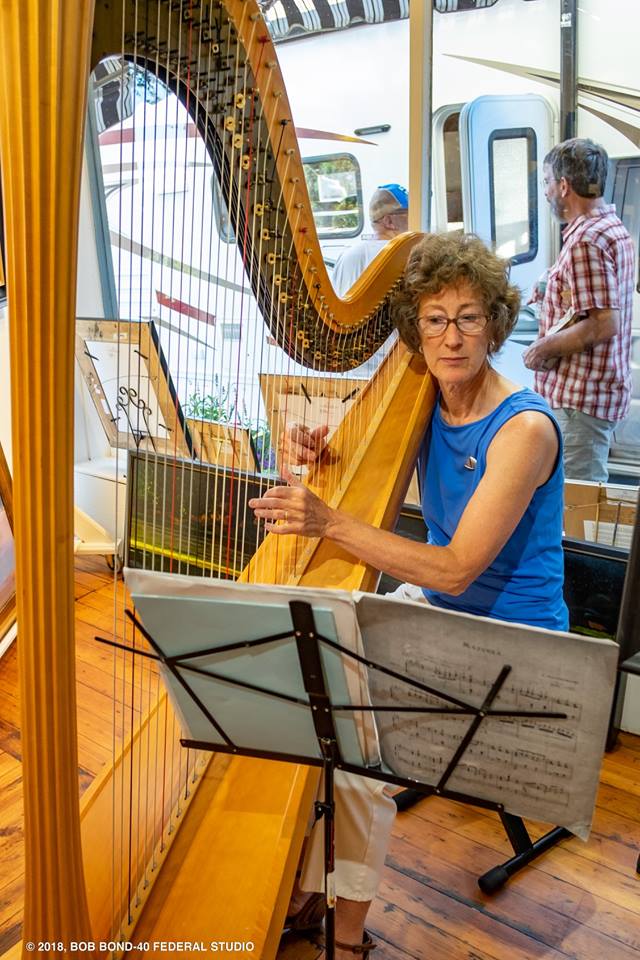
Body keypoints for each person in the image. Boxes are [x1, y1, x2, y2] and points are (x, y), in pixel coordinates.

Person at [249, 232, 568, 958]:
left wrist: (332, 520)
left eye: (467, 317)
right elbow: (340, 455)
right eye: (433, 320)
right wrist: (315, 449)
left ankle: (348, 930)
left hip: (515, 641)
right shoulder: (423, 391)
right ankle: (305, 881)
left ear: (495, 320)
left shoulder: (522, 429)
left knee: (355, 741)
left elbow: (454, 568)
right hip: (443, 618)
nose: (451, 337)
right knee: (301, 664)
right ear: (413, 330)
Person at [523, 138, 634, 482]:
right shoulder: (611, 229)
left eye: (546, 183)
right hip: (591, 395)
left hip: (579, 400)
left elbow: (603, 324)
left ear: (563, 185)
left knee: (576, 502)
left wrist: (540, 349)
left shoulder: (587, 239)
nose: (545, 192)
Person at [331, 183, 409, 297]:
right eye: (408, 214)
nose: (414, 218)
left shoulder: (349, 255)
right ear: (389, 221)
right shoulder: (402, 253)